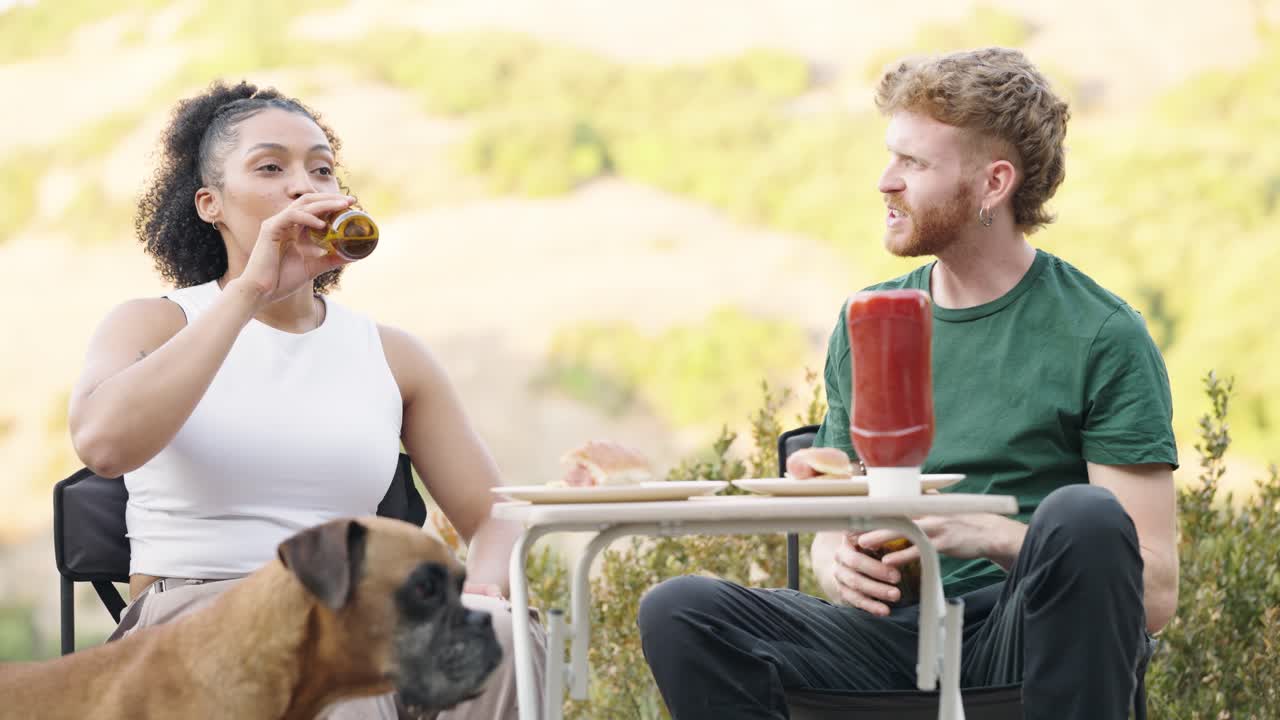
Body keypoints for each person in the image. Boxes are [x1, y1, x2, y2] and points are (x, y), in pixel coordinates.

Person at [637, 48, 1179, 720]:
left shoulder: (1101, 334)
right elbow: (840, 512)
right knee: (682, 611)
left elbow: (1153, 593)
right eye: (890, 157)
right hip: (891, 640)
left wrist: (993, 535)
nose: (885, 181)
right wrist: (835, 558)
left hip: (1025, 636)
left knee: (1086, 517)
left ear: (993, 183)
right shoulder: (869, 321)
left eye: (914, 163)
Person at [67, 80, 546, 719]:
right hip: (199, 619)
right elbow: (103, 445)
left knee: (499, 640)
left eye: (321, 169)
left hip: (359, 615)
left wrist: (481, 592)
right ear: (210, 204)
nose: (303, 185)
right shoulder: (154, 324)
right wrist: (250, 293)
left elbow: (495, 514)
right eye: (271, 167)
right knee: (330, 677)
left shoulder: (392, 354)